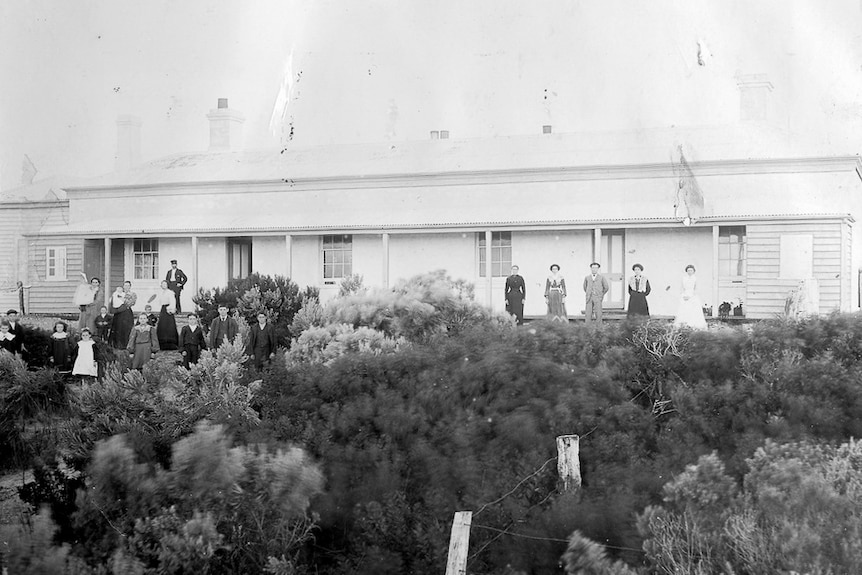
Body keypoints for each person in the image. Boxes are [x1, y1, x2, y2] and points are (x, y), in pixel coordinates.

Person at [674, 264, 708, 330]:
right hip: (684, 295)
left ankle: (693, 325)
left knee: (693, 310)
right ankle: (684, 324)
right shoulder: (684, 278)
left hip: (693, 295)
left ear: (694, 271)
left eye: (691, 270)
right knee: (684, 309)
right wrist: (683, 295)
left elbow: (697, 289)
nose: (689, 272)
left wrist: (690, 296)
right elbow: (681, 288)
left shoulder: (695, 278)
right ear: (686, 271)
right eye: (688, 270)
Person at [110, 281, 137, 349]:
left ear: (130, 286)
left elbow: (131, 303)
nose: (126, 287)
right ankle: (117, 344)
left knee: (126, 328)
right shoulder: (119, 292)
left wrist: (123, 299)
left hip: (126, 313)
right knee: (118, 327)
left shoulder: (132, 294)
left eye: (128, 286)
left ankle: (126, 345)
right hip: (119, 312)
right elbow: (113, 300)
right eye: (125, 285)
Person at [156, 280, 179, 350]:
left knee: (169, 326)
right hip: (163, 309)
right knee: (162, 325)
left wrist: (170, 309)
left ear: (167, 285)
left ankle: (171, 343)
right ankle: (162, 343)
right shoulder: (161, 293)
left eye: (165, 284)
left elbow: (173, 301)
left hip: (168, 309)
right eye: (162, 284)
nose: (164, 285)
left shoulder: (170, 292)